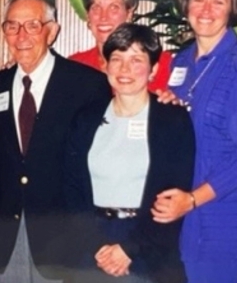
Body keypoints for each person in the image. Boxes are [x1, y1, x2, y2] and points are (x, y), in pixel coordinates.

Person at [151, 0, 237, 283]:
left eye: (218, 1)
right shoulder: (181, 62)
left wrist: (191, 200)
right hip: (178, 226)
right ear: (186, 5)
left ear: (233, 10)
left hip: (220, 229)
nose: (206, 10)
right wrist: (169, 110)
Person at [0, 0, 111, 283]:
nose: (21, 36)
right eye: (12, 26)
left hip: (63, 239)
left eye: (32, 25)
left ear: (53, 31)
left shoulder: (87, 85)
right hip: (5, 237)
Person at [64, 24, 195, 283]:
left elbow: (172, 197)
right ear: (105, 66)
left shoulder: (172, 119)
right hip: (91, 247)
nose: (125, 70)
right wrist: (97, 246)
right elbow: (71, 189)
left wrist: (128, 249)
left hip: (149, 248)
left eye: (136, 60)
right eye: (117, 59)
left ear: (153, 70)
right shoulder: (86, 118)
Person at [69, 0, 172, 92]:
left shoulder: (160, 63)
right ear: (88, 15)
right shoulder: (76, 65)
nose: (103, 17)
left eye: (114, 8)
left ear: (128, 14)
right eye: (96, 8)